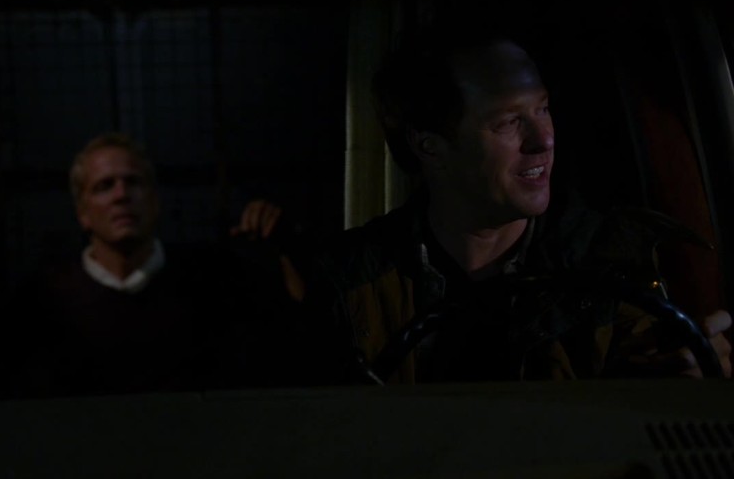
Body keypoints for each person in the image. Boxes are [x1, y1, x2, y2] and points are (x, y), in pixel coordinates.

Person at [303, 24, 732, 386]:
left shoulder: (611, 261)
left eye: (542, 109)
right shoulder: (348, 279)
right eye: (508, 121)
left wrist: (690, 370)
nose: (544, 140)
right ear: (429, 146)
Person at [0, 132, 303, 400]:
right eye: (104, 186)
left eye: (133, 182)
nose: (121, 195)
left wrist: (286, 251)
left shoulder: (210, 279)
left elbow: (294, 339)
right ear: (82, 213)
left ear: (155, 200)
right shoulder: (44, 299)